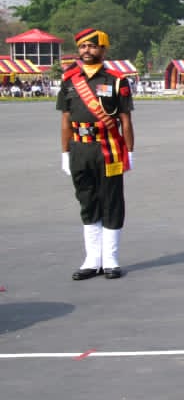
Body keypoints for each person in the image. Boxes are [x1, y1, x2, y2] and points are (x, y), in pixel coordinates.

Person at [57, 27, 135, 280]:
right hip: (79, 147)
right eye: (82, 47)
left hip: (109, 148)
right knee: (87, 200)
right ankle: (92, 259)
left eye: (92, 46)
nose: (86, 51)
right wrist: (65, 152)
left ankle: (110, 259)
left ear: (103, 49)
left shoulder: (116, 80)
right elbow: (66, 120)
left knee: (111, 200)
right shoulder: (69, 80)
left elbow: (125, 119)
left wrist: (129, 151)